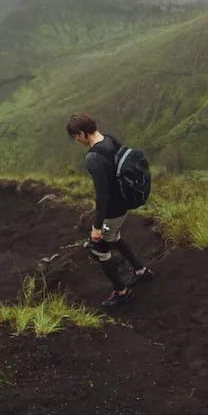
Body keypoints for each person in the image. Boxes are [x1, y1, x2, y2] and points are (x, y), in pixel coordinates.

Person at [66, 113, 154, 307]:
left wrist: (97, 227)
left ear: (81, 134)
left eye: (75, 137)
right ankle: (141, 272)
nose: (76, 140)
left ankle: (121, 292)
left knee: (99, 250)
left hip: (113, 210)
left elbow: (102, 195)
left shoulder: (94, 158)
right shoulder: (109, 139)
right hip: (124, 203)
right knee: (114, 237)